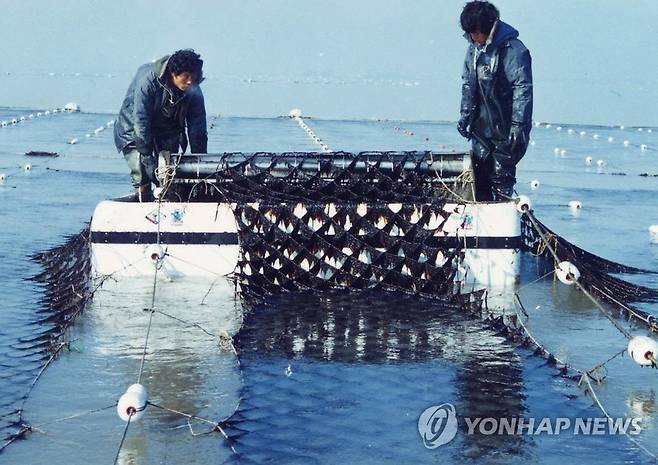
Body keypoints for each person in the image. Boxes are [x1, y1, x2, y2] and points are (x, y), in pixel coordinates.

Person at [457, 1, 532, 201]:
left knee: (501, 176)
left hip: (506, 128)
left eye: (475, 32)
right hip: (481, 127)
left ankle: (502, 220)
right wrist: (465, 116)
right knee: (478, 174)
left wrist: (518, 125)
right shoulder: (473, 49)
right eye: (470, 33)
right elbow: (467, 84)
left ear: (489, 26)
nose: (473, 37)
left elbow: (522, 90)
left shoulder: (514, 50)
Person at [114, 49, 208, 202]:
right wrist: (145, 154)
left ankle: (168, 204)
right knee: (141, 173)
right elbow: (141, 119)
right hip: (133, 128)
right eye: (186, 77)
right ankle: (142, 199)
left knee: (168, 173)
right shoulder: (149, 81)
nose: (190, 81)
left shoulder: (194, 89)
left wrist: (200, 162)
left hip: (167, 129)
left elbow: (197, 125)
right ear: (173, 73)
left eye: (194, 76)